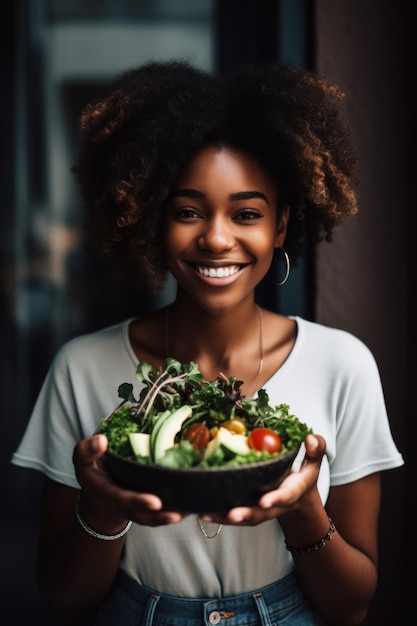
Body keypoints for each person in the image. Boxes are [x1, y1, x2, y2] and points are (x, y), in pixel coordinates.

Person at [12, 59, 404, 626]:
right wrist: (101, 507)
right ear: (153, 222)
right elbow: (64, 599)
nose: (217, 238)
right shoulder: (80, 368)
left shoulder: (343, 365)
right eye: (188, 211)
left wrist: (301, 513)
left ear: (281, 226)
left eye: (246, 213)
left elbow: (353, 607)